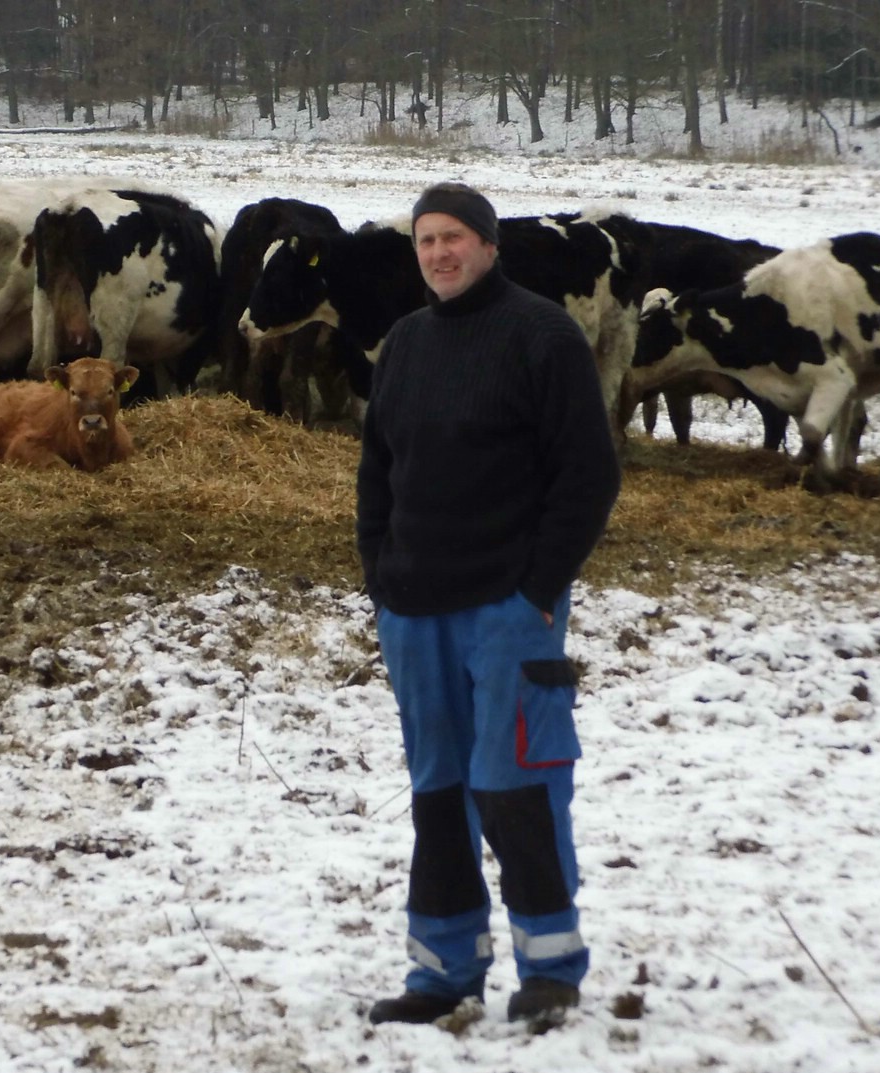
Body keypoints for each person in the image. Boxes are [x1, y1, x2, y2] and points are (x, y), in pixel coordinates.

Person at [355, 182, 622, 1026]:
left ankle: (549, 965)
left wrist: (537, 587)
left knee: (517, 785)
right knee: (438, 791)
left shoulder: (541, 334)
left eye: (455, 238)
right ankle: (442, 970)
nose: (439, 253)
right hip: (415, 610)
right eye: (426, 240)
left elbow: (588, 475)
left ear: (489, 244)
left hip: (509, 609)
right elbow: (376, 471)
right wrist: (381, 572)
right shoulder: (403, 343)